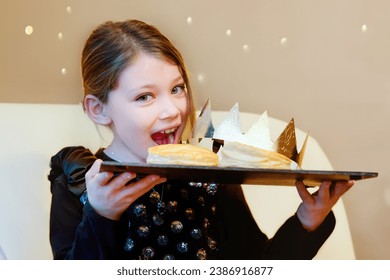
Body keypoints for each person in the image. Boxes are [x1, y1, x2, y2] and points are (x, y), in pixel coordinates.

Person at [48, 19, 354, 260]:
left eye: (177, 89)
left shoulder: (211, 176)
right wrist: (101, 215)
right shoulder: (81, 179)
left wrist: (307, 219)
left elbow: (254, 264)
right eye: (144, 96)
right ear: (99, 109)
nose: (172, 110)